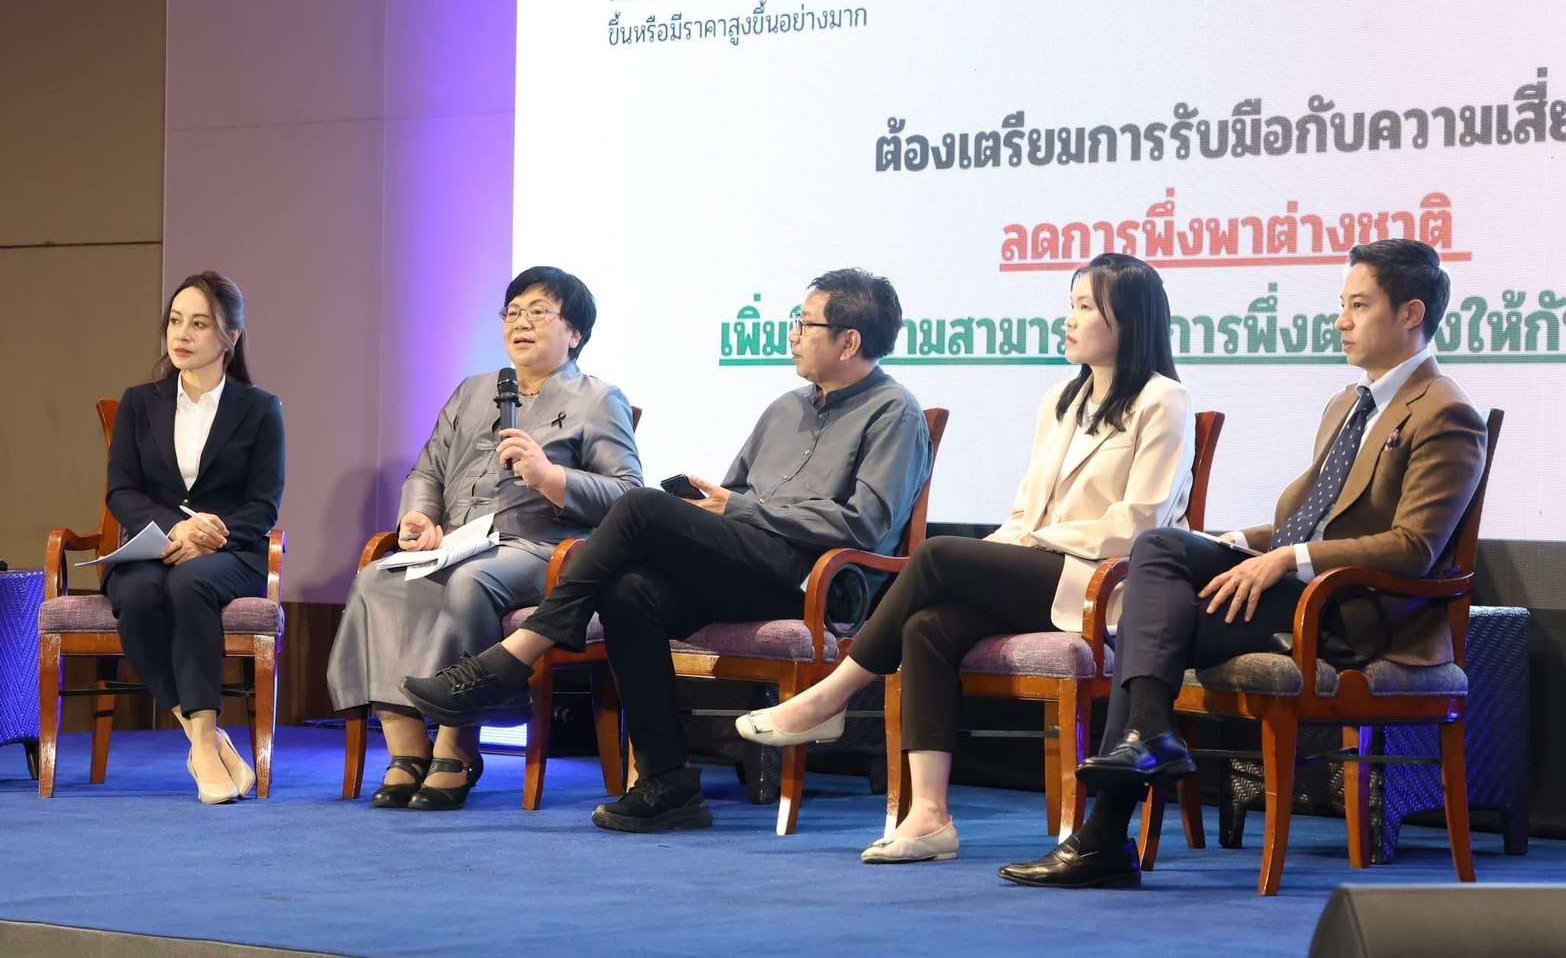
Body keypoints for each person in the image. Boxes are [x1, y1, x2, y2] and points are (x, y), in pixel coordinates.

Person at [1001, 238, 1488, 889]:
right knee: (1158, 572)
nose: (1340, 321)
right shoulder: (1348, 404)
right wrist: (1242, 541)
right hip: (1303, 592)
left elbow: (1413, 549)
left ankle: (1108, 831)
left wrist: (1286, 557)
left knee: (1154, 594)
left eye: (1358, 305)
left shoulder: (1445, 412)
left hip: (1359, 614)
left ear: (1410, 314)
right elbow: (1314, 516)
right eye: (1342, 305)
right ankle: (1134, 766)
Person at [400, 268, 933, 832]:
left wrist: (740, 510)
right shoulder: (785, 408)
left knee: (639, 506)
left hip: (820, 580)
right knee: (629, 591)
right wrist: (711, 507)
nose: (793, 334)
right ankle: (669, 781)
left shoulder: (894, 411)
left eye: (805, 324)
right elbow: (738, 493)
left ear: (849, 341)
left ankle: (519, 653)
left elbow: (867, 525)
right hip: (751, 564)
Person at [737, 254, 1195, 862]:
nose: (1070, 320)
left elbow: (1140, 524)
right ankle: (929, 817)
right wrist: (1003, 549)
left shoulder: (1163, 399)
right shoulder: (1061, 399)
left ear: (1129, 320)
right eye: (1072, 305)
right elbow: (1026, 513)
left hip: (1101, 583)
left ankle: (833, 694)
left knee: (936, 557)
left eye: (1086, 307)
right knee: (928, 626)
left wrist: (1032, 543)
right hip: (1041, 569)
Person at [326, 267, 641, 811]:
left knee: (470, 582)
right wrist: (418, 517)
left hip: (540, 550)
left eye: (538, 312)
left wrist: (551, 477)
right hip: (458, 543)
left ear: (575, 333)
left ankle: (457, 745)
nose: (521, 323)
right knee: (377, 579)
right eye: (512, 312)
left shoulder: (597, 399)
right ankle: (407, 748)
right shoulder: (474, 391)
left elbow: (628, 494)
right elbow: (426, 471)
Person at [105, 272, 284, 804]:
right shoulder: (140, 402)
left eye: (200, 324)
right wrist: (176, 527)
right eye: (175, 321)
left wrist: (210, 535)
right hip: (152, 545)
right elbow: (121, 490)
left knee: (190, 585)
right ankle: (204, 738)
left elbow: (263, 505)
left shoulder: (260, 408)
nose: (181, 334)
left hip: (232, 553)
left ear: (231, 337)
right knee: (137, 593)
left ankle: (203, 743)